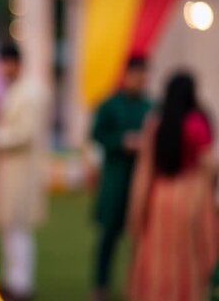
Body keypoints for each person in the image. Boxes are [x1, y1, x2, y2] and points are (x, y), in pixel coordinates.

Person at [127, 71, 218, 301]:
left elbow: (146, 168)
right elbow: (208, 163)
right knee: (187, 256)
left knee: (157, 254)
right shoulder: (196, 123)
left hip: (160, 197)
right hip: (190, 197)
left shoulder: (156, 122)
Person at [0, 44, 49, 301]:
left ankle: (21, 286)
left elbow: (24, 133)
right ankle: (13, 281)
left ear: (15, 63)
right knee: (9, 228)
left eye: (5, 64)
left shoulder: (30, 93)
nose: (2, 70)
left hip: (21, 171)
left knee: (18, 229)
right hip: (11, 170)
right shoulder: (18, 90)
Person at [90, 57, 151, 300]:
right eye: (136, 75)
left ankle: (137, 285)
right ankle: (100, 286)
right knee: (108, 237)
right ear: (126, 75)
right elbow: (96, 134)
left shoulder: (150, 106)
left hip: (141, 181)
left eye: (143, 75)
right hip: (115, 179)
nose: (140, 80)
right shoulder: (110, 105)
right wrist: (121, 141)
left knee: (140, 240)